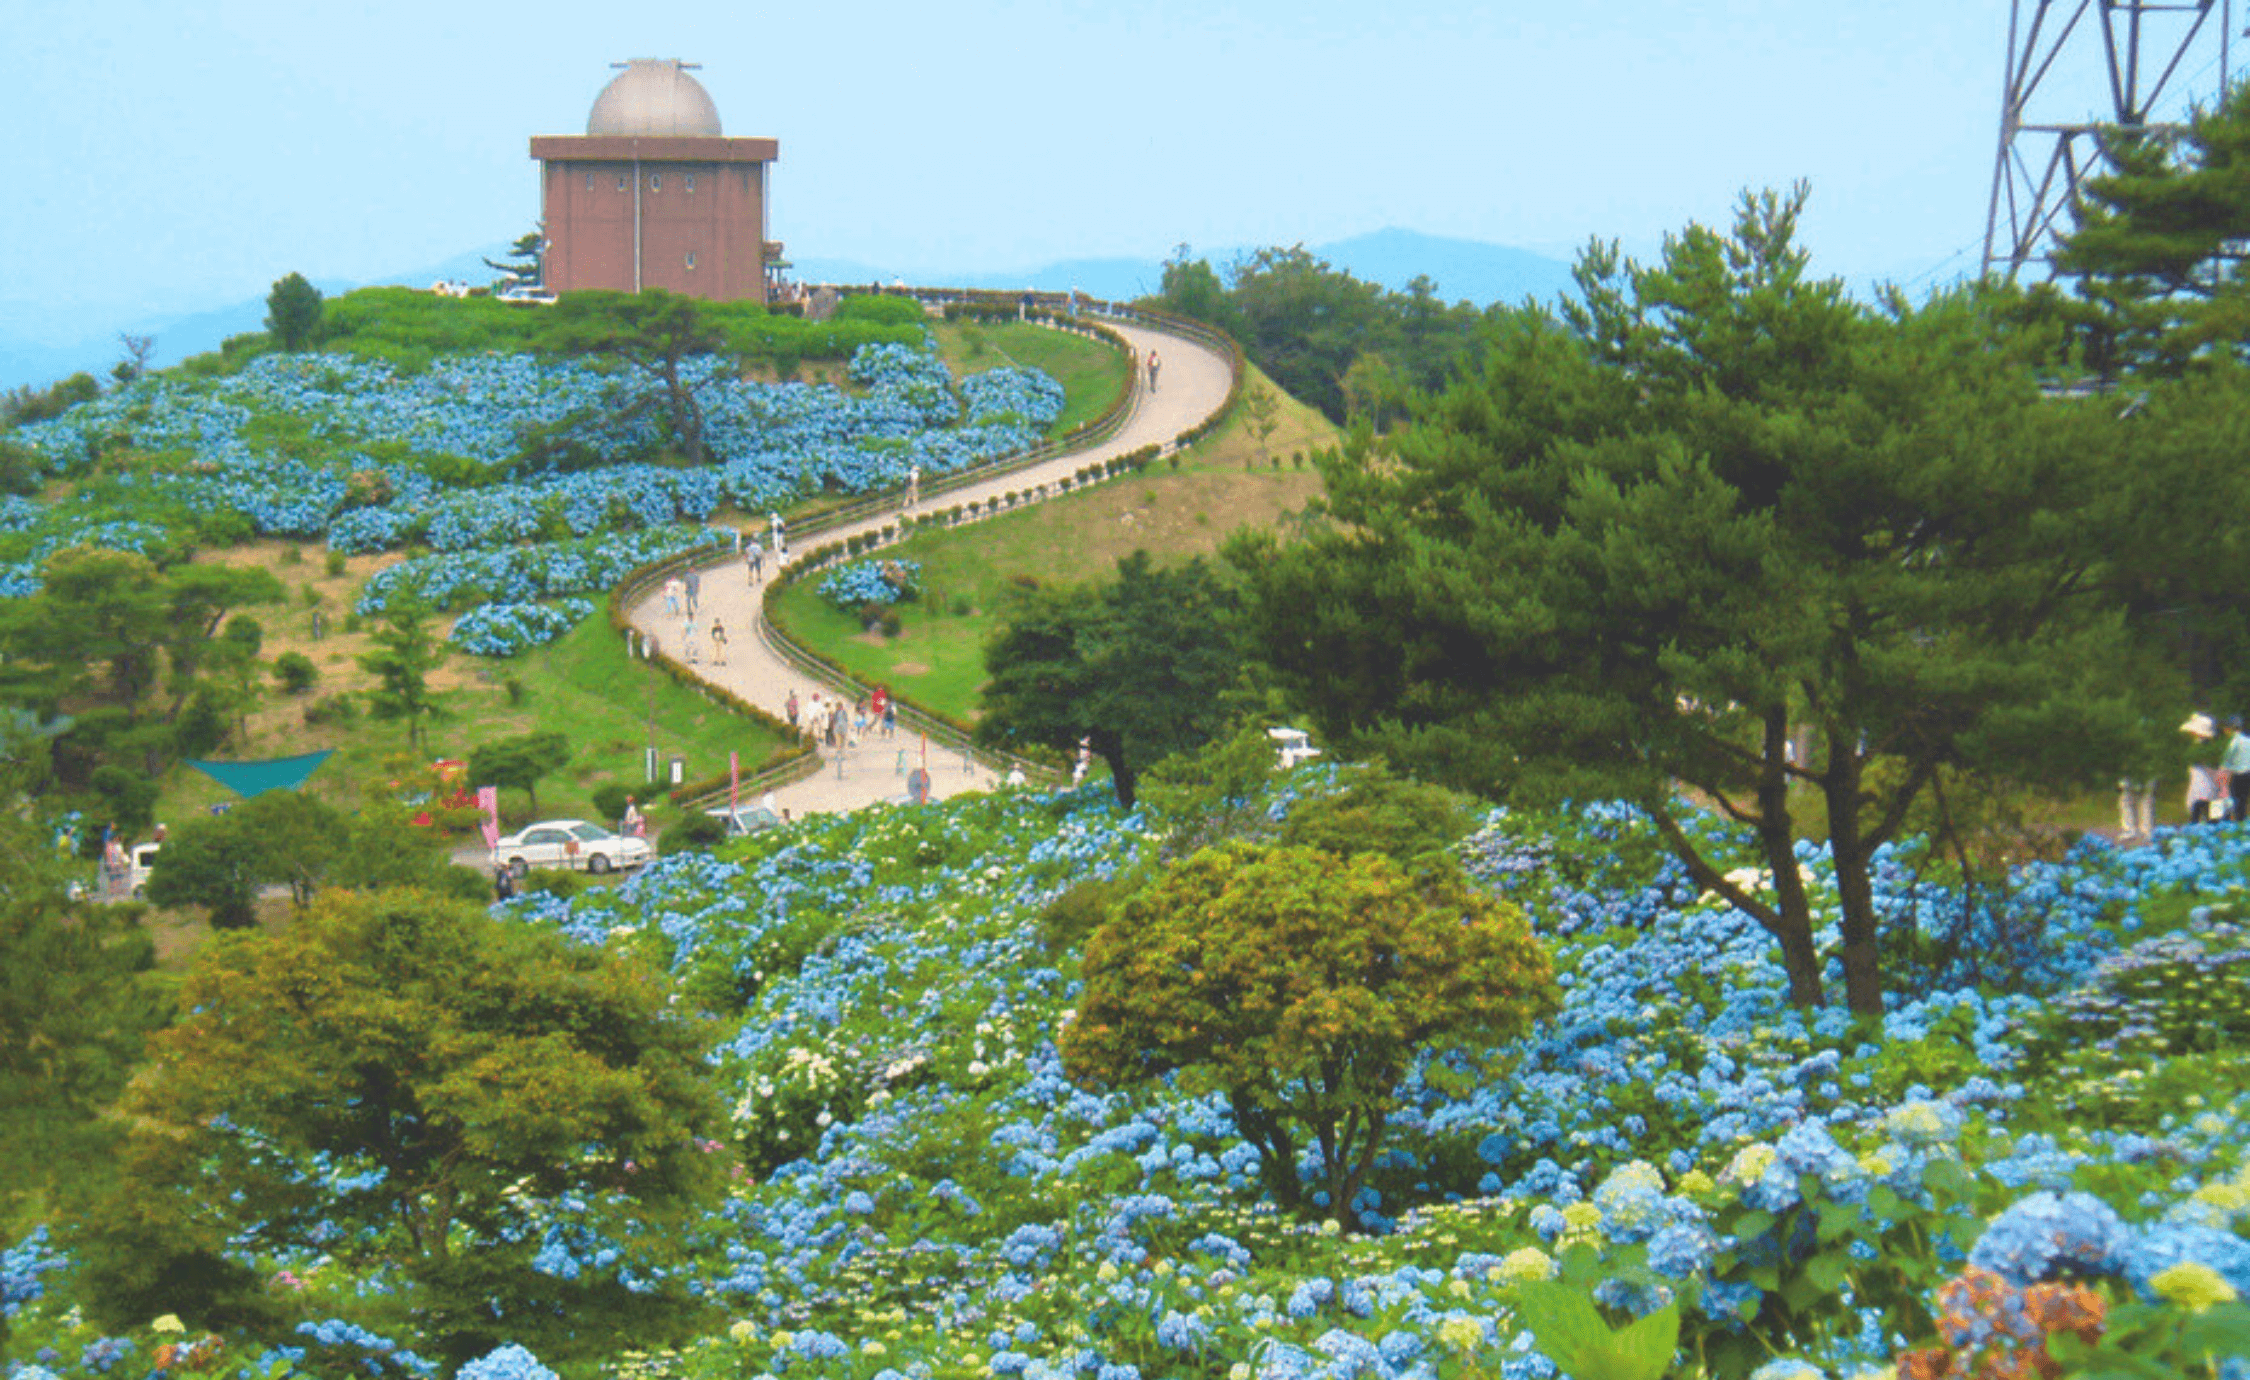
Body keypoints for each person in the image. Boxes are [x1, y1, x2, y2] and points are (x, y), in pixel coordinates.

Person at [2224, 715, 2250, 824]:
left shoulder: (2234, 742)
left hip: (2238, 774)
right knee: (2244, 800)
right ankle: (2243, 823)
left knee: (2236, 801)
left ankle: (2237, 823)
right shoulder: (2248, 740)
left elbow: (2228, 761)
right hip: (2248, 773)